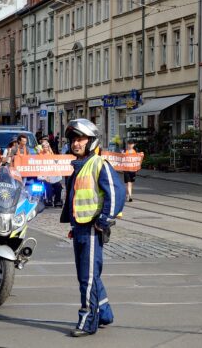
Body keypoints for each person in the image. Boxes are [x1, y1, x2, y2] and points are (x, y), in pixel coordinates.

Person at [60, 118, 125, 338]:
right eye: (73, 140)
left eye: (80, 139)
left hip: (91, 229)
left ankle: (88, 321)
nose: (75, 144)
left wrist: (103, 220)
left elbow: (116, 193)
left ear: (91, 140)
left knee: (87, 277)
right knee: (88, 275)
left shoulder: (99, 163)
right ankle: (104, 312)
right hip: (80, 228)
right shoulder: (79, 166)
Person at [38, 137, 63, 207]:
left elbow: (56, 164)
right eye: (44, 147)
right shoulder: (40, 155)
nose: (46, 148)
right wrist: (44, 177)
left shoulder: (52, 154)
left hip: (52, 175)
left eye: (47, 147)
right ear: (42, 148)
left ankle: (57, 200)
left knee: (58, 186)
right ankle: (49, 200)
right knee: (47, 186)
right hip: (44, 175)